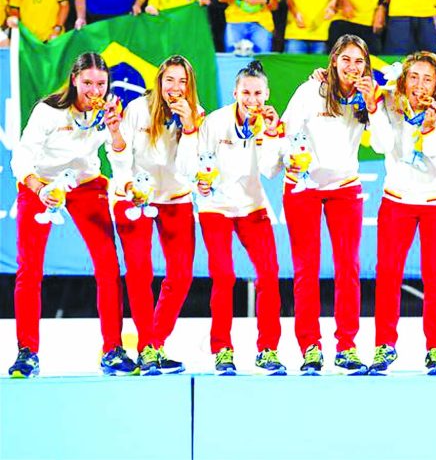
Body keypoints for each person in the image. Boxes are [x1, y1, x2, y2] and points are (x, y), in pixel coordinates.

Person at [8, 53, 136, 378]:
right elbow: (21, 159)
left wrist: (117, 132)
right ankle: (27, 352)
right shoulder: (49, 111)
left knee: (108, 265)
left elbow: (119, 162)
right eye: (88, 82)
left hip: (85, 184)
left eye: (101, 84)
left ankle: (112, 350)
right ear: (75, 79)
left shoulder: (108, 112)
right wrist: (40, 190)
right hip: (41, 184)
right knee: (30, 269)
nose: (94, 90)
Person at [273, 34, 393, 375]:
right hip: (304, 185)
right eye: (346, 60)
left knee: (348, 269)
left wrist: (373, 105)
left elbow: (383, 144)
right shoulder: (311, 91)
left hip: (344, 186)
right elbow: (284, 133)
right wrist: (288, 159)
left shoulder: (371, 95)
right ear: (334, 61)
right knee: (306, 269)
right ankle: (310, 347)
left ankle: (347, 346)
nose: (352, 68)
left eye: (359, 61)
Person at [368, 51, 436, 375]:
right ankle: (384, 344)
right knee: (388, 274)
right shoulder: (389, 104)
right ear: (404, 80)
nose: (420, 85)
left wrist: (430, 129)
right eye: (414, 77)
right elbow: (381, 146)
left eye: (427, 79)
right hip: (397, 199)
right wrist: (373, 108)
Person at [108, 56, 201, 375]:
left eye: (182, 82)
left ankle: (155, 343)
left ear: (190, 87)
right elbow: (117, 151)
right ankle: (147, 345)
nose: (175, 88)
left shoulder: (196, 115)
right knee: (139, 272)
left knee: (182, 274)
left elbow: (190, 169)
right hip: (135, 195)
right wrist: (128, 186)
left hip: (175, 198)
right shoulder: (138, 109)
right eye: (169, 80)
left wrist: (189, 128)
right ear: (159, 81)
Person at [195, 60, 286, 376]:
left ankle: (268, 350)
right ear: (235, 92)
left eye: (258, 93)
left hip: (253, 206)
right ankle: (222, 350)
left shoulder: (272, 125)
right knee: (224, 276)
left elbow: (271, 170)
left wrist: (271, 136)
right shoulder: (215, 122)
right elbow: (199, 162)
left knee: (269, 274)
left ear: (267, 93)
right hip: (216, 208)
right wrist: (201, 182)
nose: (252, 99)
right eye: (246, 92)